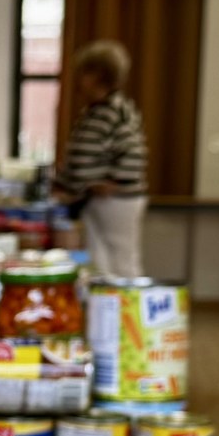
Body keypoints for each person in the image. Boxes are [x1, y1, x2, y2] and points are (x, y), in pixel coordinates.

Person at [58, 41, 148, 280]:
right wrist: (64, 185)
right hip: (91, 199)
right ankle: (105, 312)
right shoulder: (93, 111)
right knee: (97, 262)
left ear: (97, 76)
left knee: (122, 260)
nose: (78, 79)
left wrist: (113, 180)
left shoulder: (116, 110)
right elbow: (79, 155)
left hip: (116, 199)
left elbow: (134, 152)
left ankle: (129, 313)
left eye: (83, 73)